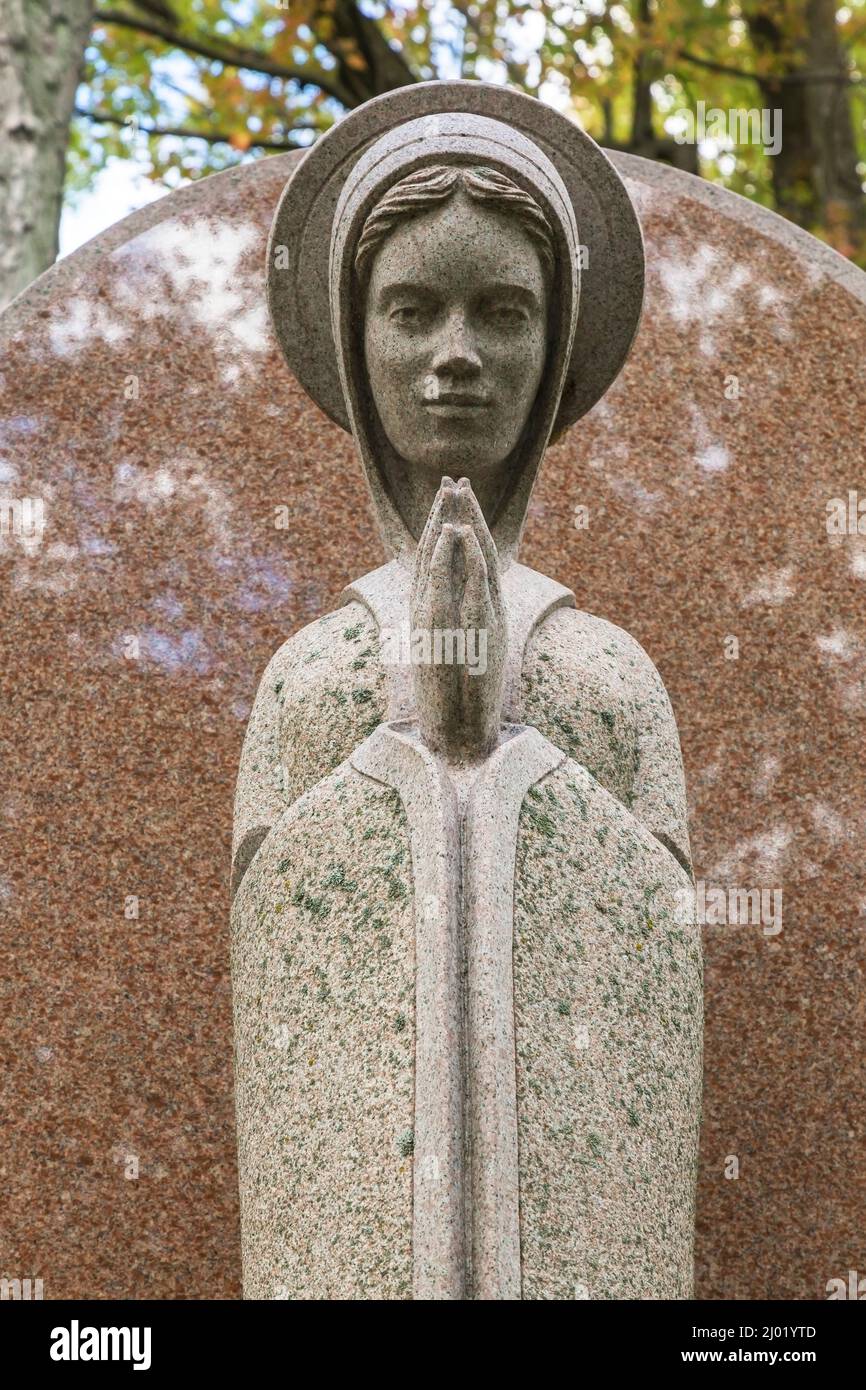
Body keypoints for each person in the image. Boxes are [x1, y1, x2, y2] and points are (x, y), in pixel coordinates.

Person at [231, 82, 701, 1301]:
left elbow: (663, 969)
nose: (455, 355)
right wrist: (402, 763)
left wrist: (509, 764)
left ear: (550, 349)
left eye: (501, 312)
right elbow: (268, 953)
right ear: (353, 338)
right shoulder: (308, 676)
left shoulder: (607, 673)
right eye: (409, 311)